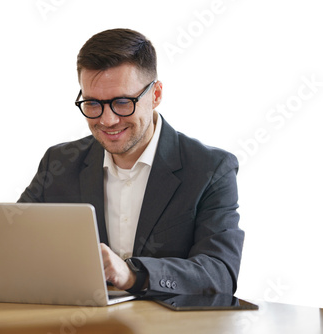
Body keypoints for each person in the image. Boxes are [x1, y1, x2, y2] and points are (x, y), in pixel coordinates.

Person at [18, 28, 244, 295]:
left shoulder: (210, 169)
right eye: (92, 104)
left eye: (123, 102)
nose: (107, 120)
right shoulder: (58, 163)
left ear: (156, 95)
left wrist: (133, 275)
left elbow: (219, 274)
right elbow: (14, 243)